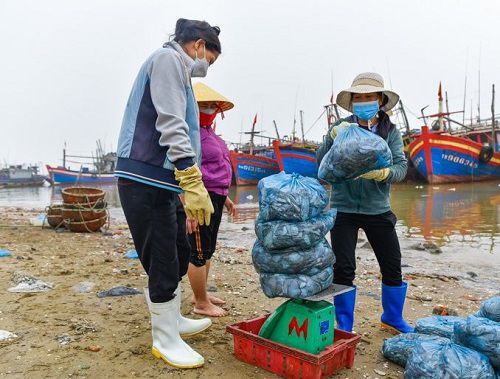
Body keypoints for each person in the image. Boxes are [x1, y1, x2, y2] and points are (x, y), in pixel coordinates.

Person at [114, 18, 222, 369]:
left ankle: (172, 318)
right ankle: (164, 338)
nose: (207, 67)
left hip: (163, 181)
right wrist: (192, 179)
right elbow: (171, 122)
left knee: (178, 249)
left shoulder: (178, 68)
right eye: (211, 59)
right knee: (161, 256)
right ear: (199, 46)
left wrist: (183, 187)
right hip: (143, 178)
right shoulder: (168, 61)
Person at [316, 72, 414, 334]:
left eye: (369, 96)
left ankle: (392, 318)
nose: (364, 101)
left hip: (378, 209)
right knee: (343, 267)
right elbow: (321, 164)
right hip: (343, 209)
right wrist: (330, 138)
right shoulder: (341, 129)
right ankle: (343, 325)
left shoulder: (390, 132)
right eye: (358, 97)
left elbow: (401, 167)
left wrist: (384, 174)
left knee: (392, 264)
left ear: (380, 100)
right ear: (352, 102)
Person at [187, 82, 235, 317]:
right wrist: (186, 206)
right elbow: (183, 172)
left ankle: (202, 293)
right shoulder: (188, 134)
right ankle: (200, 303)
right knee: (197, 251)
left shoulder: (208, 133)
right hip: (199, 198)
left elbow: (218, 167)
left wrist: (226, 199)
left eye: (210, 106)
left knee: (207, 249)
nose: (208, 110)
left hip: (216, 196)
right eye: (202, 106)